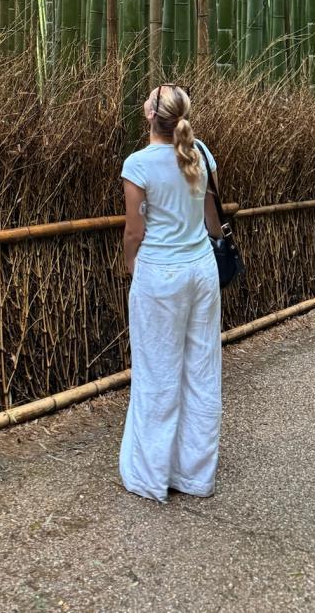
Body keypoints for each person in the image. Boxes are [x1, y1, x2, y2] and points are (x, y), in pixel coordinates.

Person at [118, 84, 223, 502]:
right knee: (200, 369)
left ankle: (149, 476)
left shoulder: (137, 164)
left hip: (161, 275)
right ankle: (196, 476)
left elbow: (134, 230)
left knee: (157, 372)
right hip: (201, 271)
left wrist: (132, 265)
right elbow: (212, 218)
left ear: (149, 114)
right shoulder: (200, 154)